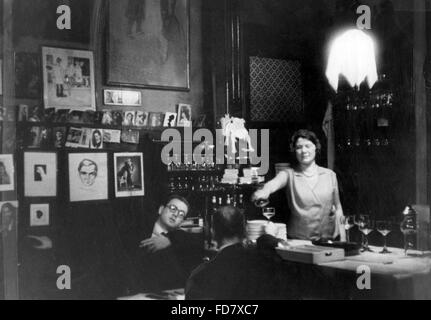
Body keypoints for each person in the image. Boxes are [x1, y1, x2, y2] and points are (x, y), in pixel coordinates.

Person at [252, 129, 346, 241]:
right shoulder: (288, 174)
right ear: (294, 151)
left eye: (308, 146)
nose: (303, 150)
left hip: (329, 241)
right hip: (299, 241)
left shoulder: (330, 175)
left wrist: (343, 238)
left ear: (316, 147)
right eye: (299, 147)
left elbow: (338, 208)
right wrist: (264, 191)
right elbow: (272, 184)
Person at [185, 206, 283, 300]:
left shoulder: (201, 274)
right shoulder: (265, 261)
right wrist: (269, 237)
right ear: (245, 230)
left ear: (213, 232)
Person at [134, 195, 204, 292]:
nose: (175, 214)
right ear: (161, 209)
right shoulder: (139, 228)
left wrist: (170, 239)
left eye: (181, 214)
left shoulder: (178, 240)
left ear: (181, 222)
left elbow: (199, 239)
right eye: (173, 208)